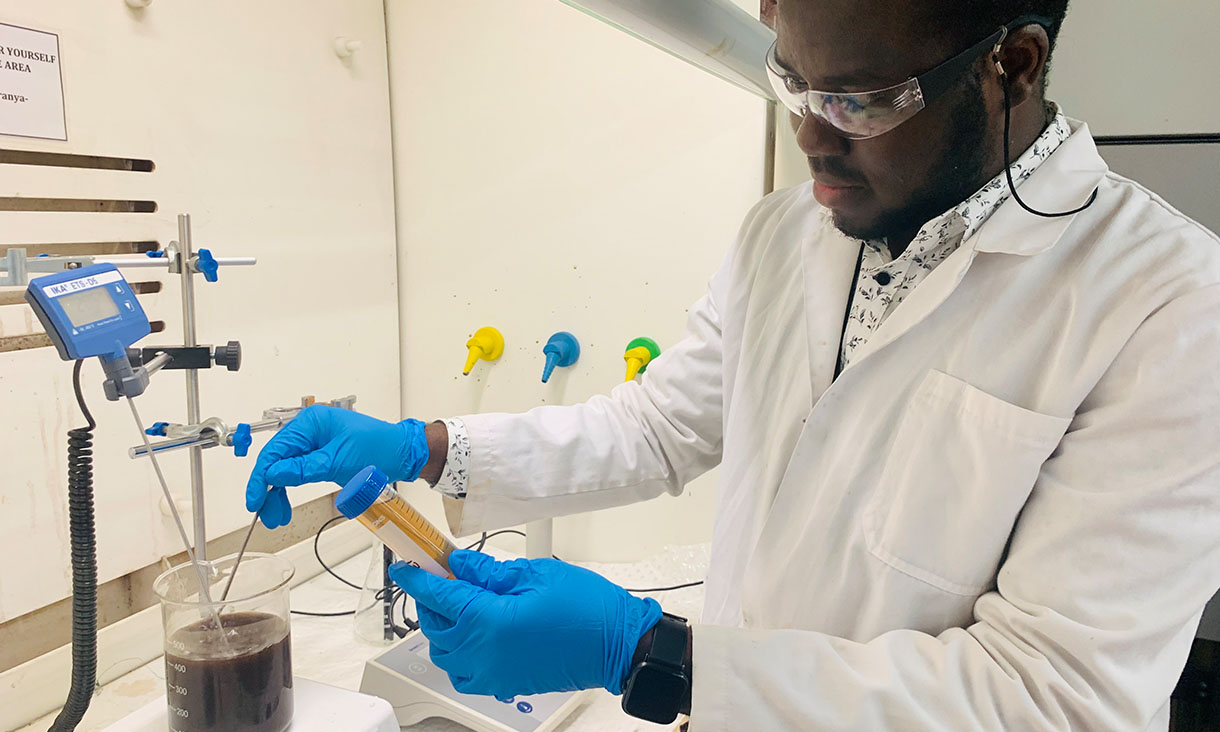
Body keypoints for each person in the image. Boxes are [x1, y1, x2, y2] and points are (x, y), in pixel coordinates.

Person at [246, 0, 1220, 729]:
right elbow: (658, 426)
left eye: (858, 100)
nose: (808, 133)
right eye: (790, 81)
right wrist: (427, 446)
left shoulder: (1166, 302)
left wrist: (650, 657)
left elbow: (1053, 698)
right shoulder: (784, 233)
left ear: (1010, 62)